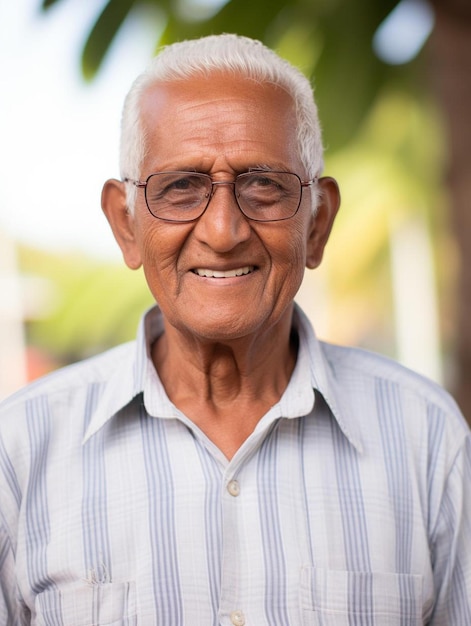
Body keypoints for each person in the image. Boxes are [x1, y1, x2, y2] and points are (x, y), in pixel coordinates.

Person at [0, 33, 470, 626]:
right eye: (180, 188)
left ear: (317, 224)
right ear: (126, 225)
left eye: (263, 185)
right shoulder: (19, 452)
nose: (223, 231)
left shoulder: (426, 440)